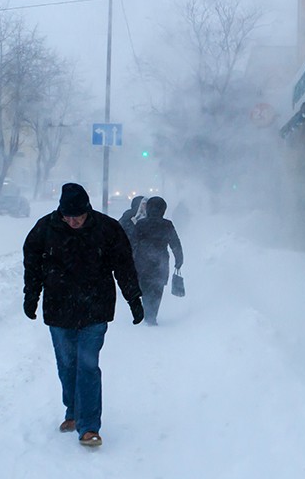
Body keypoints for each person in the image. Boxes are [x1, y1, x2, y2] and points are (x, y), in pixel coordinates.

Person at [22, 182, 144, 447]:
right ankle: (73, 412)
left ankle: (89, 427)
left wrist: (133, 298)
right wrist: (31, 296)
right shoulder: (45, 229)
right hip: (59, 308)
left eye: (78, 216)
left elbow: (124, 265)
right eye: (68, 216)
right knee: (67, 365)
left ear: (88, 210)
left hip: (95, 308)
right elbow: (32, 265)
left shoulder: (107, 229)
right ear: (61, 212)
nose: (74, 221)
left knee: (87, 366)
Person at [133, 196, 184, 326]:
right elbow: (175, 243)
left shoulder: (141, 224)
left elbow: (133, 243)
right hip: (160, 263)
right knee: (157, 289)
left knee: (145, 288)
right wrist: (179, 259)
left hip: (142, 262)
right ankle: (152, 315)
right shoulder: (167, 225)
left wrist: (130, 259)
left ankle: (147, 313)